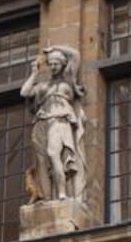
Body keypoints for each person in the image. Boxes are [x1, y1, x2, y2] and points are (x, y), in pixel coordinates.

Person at [20, 45, 86, 201]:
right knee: (42, 162)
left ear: (63, 64)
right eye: (51, 64)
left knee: (53, 153)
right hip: (41, 122)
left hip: (60, 120)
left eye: (56, 63)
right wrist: (34, 73)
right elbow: (24, 92)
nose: (53, 66)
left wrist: (54, 48)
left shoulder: (68, 79)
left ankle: (62, 193)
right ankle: (48, 197)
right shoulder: (43, 85)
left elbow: (75, 54)